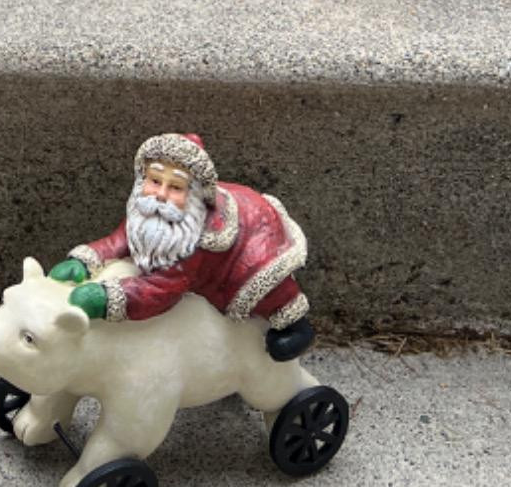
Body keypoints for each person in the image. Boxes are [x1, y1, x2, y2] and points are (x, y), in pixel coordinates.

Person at [51, 132, 316, 361]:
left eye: (175, 187)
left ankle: (296, 326)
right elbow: (119, 240)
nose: (161, 195)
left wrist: (106, 297)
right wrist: (86, 259)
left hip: (252, 239)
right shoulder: (146, 211)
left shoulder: (192, 240)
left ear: (194, 194)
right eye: (155, 181)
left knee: (264, 284)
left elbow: (161, 289)